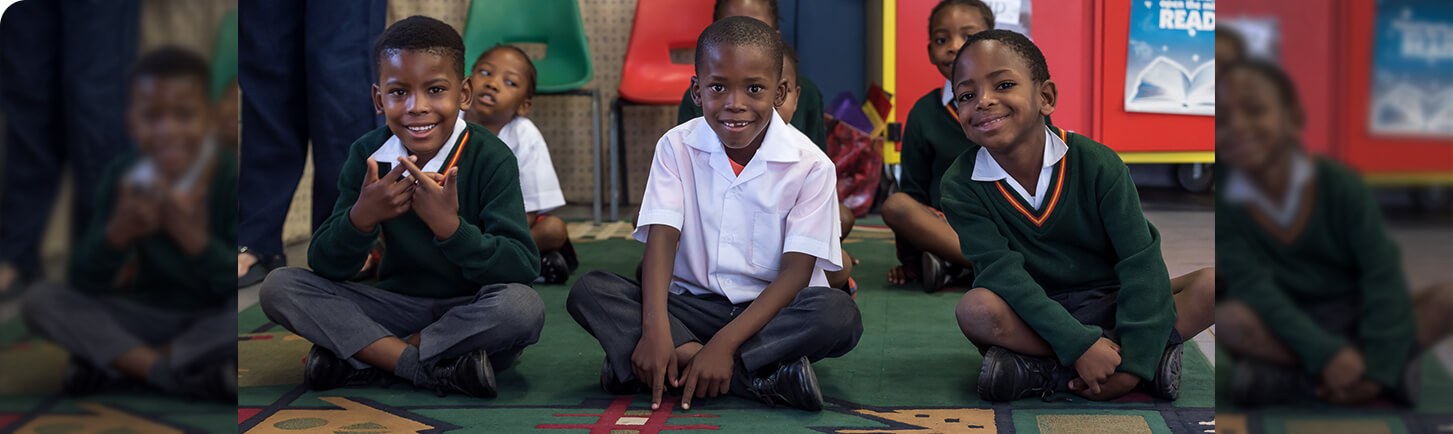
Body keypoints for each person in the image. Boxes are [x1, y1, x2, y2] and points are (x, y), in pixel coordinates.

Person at [567, 17, 862, 412]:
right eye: (718, 87)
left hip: (768, 312)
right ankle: (752, 377)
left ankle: (670, 365)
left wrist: (723, 345)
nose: (734, 104)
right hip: (690, 306)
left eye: (754, 88)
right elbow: (661, 239)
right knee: (591, 290)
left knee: (839, 314)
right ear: (696, 90)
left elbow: (795, 273)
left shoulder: (811, 165)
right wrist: (656, 330)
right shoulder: (676, 146)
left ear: (780, 93)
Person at [258, 16, 544, 399]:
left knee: (522, 308)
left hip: (470, 310)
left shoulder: (492, 157)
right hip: (391, 306)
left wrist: (450, 229)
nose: (417, 107)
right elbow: (326, 265)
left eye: (436, 89)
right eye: (399, 92)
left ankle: (369, 356)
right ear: (379, 99)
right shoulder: (368, 155)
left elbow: (522, 266)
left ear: (463, 94)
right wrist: (362, 218)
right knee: (280, 286)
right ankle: (427, 366)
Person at [939, 30, 1215, 401]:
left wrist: (1132, 367)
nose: (984, 101)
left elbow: (1141, 263)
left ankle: (1045, 372)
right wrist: (1080, 345)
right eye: (967, 96)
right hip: (1033, 314)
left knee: (1215, 285)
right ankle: (1136, 360)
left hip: (1111, 301)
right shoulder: (960, 184)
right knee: (975, 309)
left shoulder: (1097, 163)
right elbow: (1003, 276)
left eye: (1003, 84)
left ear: (1046, 97)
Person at [1216, 59, 1453, 407]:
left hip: (1355, 315)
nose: (1237, 127)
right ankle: (1370, 376)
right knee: (1228, 319)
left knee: (1447, 299)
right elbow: (1256, 289)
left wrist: (1377, 369)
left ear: (1293, 120)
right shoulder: (1229, 203)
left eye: (1254, 110)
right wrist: (1327, 354)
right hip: (1284, 325)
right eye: (1222, 119)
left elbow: (1381, 277)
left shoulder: (1340, 185)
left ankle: (1316, 380)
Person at [21, 47, 237, 401]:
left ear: (208, 119)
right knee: (40, 299)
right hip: (144, 316)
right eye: (151, 117)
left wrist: (193, 240)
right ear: (132, 124)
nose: (167, 130)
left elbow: (234, 280)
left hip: (212, 318)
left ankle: (121, 363)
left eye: (184, 114)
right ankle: (168, 372)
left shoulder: (227, 175)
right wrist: (117, 234)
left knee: (240, 319)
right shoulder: (125, 176)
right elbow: (84, 281)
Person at [881, 0, 998, 291]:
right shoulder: (924, 112)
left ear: (994, 43)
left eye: (968, 37)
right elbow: (914, 190)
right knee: (896, 205)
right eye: (942, 39)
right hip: (948, 228)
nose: (954, 46)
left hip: (1005, 221)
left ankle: (958, 267)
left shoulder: (1014, 101)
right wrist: (910, 260)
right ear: (930, 51)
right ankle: (990, 267)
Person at [463, 44, 577, 284]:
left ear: (524, 106)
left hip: (504, 229)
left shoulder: (525, 135)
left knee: (553, 230)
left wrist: (492, 241)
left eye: (510, 83)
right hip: (454, 225)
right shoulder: (447, 120)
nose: (492, 84)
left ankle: (499, 264)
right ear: (466, 82)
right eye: (485, 73)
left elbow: (531, 210)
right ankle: (528, 268)